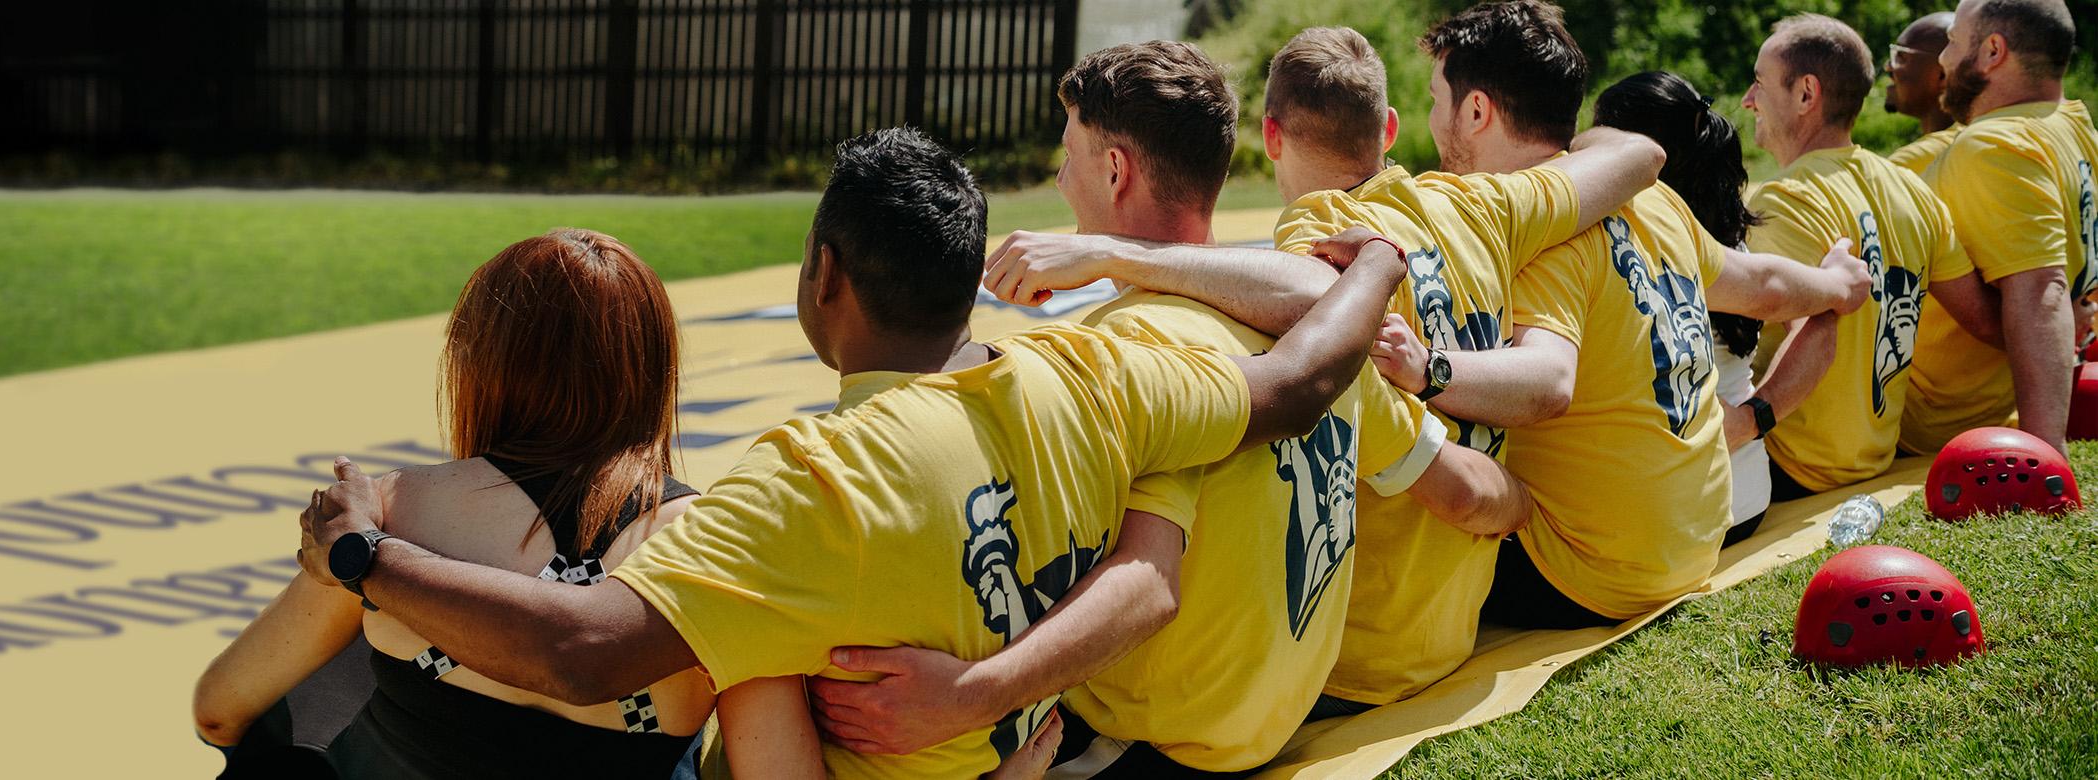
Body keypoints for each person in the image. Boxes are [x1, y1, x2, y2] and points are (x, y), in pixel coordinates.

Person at [298, 127, 1419, 777]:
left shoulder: (812, 480)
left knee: (738, 643)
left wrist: (365, 560)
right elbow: (1296, 383)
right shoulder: (1089, 375)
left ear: (823, 274)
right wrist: (1372, 265)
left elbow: (585, 653)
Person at [796, 40, 1564, 777]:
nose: (1063, 180)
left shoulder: (1120, 352)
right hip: (1278, 714)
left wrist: (971, 695)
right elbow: (1461, 487)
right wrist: (1536, 505)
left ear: (1117, 169)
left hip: (1158, 739)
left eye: (1070, 156)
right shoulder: (1320, 330)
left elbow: (1137, 587)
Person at [954, 20, 1666, 716]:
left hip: (1354, 662)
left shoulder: (1313, 240)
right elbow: (1640, 154)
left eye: (1068, 153)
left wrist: (1113, 255)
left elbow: (1324, 304)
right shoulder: (1474, 204)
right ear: (1387, 131)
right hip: (1452, 622)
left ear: (1271, 139)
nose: (1057, 173)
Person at [1379, 0, 1868, 630]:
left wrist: (1428, 370)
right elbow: (1764, 286)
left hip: (1588, 577)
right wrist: (1834, 284)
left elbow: (1547, 383)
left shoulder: (1533, 237)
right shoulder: (1652, 198)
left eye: (1436, 98)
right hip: (1694, 546)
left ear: (1477, 111)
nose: (1430, 117)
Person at [191, 229, 725, 778]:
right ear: (654, 365)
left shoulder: (393, 509)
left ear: (482, 361)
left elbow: (219, 712)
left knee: (330, 681)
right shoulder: (710, 540)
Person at [1738, 15, 2004, 502]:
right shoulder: (1912, 190)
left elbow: (1809, 337)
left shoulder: (1785, 199)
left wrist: (1743, 425)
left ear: (1805, 94)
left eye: (1758, 82)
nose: (1748, 100)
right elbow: (1985, 320)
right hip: (1875, 460)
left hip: (1790, 467)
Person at [1595, 70, 1842, 543]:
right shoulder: (1733, 239)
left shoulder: (1634, 248)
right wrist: (1756, 418)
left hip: (1675, 524)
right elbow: (1819, 320)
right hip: (1748, 502)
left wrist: (1750, 419)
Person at [1900, 0, 2096, 454]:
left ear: (1992, 51)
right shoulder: (2073, 124)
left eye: (1952, 42)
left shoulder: (1993, 144)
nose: (1944, 61)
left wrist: (2045, 452)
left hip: (1919, 418)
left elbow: (2042, 290)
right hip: (1979, 407)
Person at [1884, 12, 1964, 174]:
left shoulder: (1906, 166)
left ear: (1942, 75)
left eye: (1901, 57)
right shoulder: (1985, 140)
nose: (1888, 67)